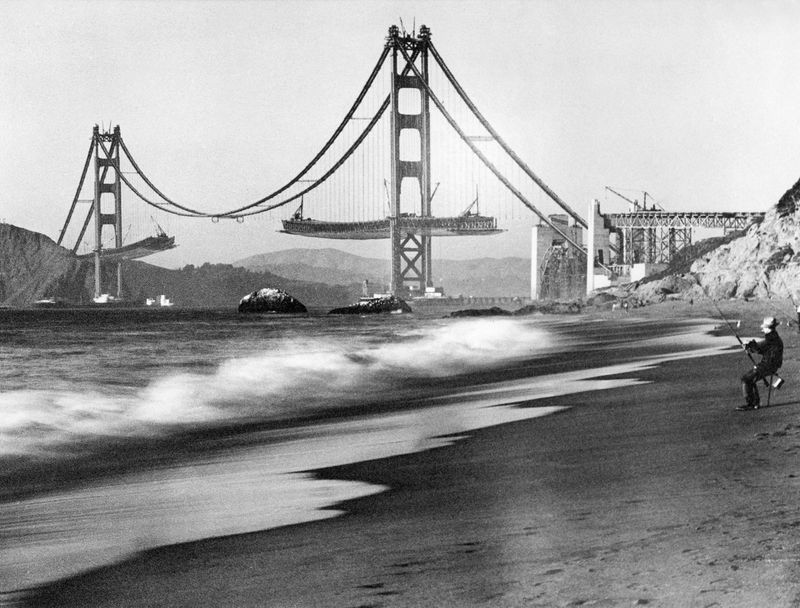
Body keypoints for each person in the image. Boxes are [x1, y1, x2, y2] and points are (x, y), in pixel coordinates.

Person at [737, 317, 783, 411]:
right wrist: (750, 346)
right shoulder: (775, 337)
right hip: (770, 364)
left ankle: (752, 404)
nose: (762, 329)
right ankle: (755, 403)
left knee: (746, 379)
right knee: (750, 379)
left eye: (764, 327)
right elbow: (763, 349)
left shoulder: (771, 339)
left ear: (768, 328)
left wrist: (748, 346)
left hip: (768, 365)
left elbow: (759, 348)